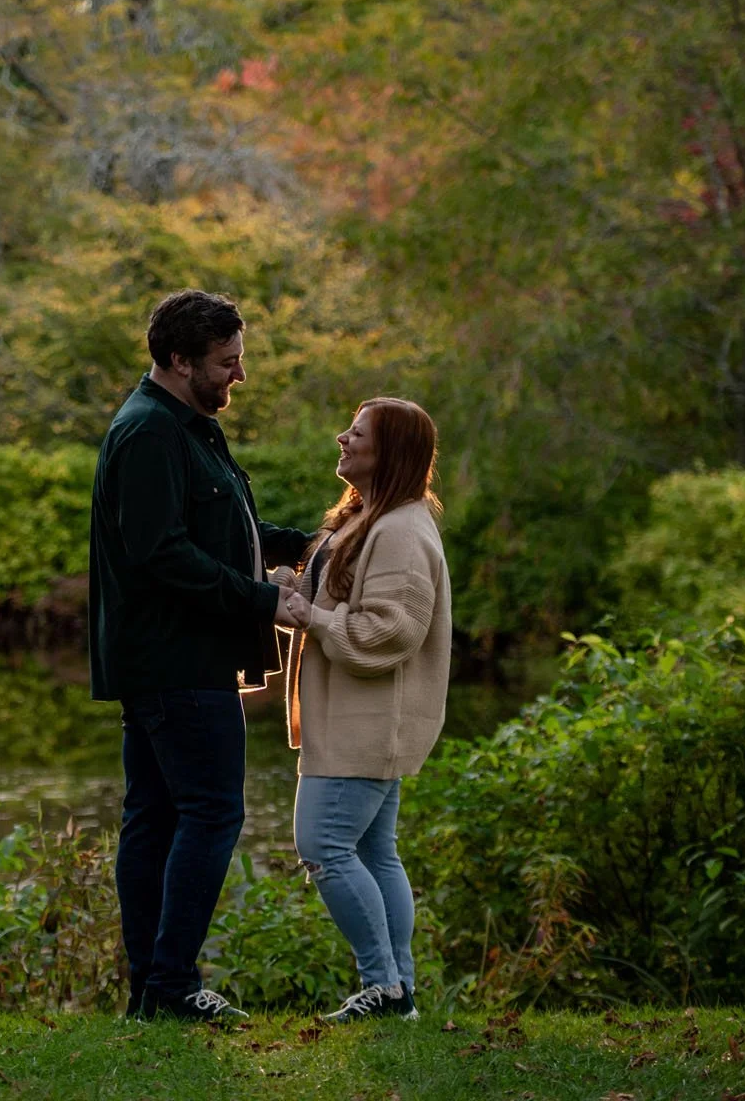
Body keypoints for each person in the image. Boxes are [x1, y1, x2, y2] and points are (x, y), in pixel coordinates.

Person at [89, 289, 311, 1023]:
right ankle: (173, 985)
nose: (238, 377)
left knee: (154, 818)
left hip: (171, 663)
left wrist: (308, 545)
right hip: (177, 664)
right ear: (179, 361)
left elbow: (220, 526)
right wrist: (262, 600)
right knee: (211, 814)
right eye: (227, 363)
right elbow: (161, 555)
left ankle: (153, 991)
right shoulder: (150, 432)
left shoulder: (183, 425)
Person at [279, 397, 453, 1022]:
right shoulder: (365, 518)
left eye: (356, 433)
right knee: (377, 852)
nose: (342, 438)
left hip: (370, 720)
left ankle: (385, 989)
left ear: (392, 453)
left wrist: (315, 617)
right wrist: (280, 595)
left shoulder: (402, 530)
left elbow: (389, 630)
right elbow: (321, 603)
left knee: (323, 845)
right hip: (354, 717)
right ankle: (397, 992)